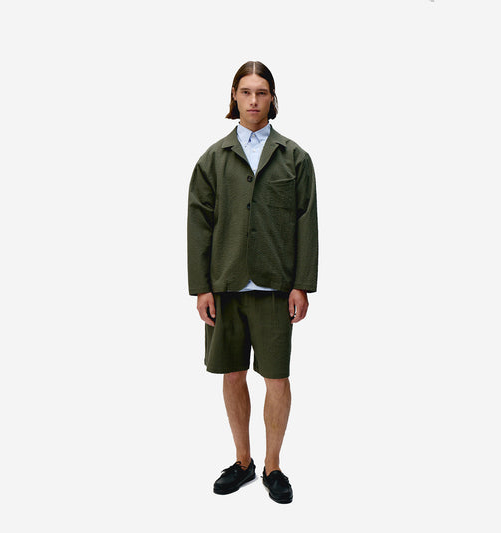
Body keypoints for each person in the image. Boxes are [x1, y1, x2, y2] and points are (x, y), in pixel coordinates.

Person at [187, 61, 318, 504]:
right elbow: (199, 224)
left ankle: (273, 466)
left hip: (276, 287)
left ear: (272, 98)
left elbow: (306, 223)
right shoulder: (213, 158)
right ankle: (242, 461)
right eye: (246, 92)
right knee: (232, 374)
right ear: (234, 96)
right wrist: (201, 287)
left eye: (262, 92)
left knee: (276, 378)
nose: (254, 100)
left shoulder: (295, 158)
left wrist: (302, 283)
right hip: (225, 285)